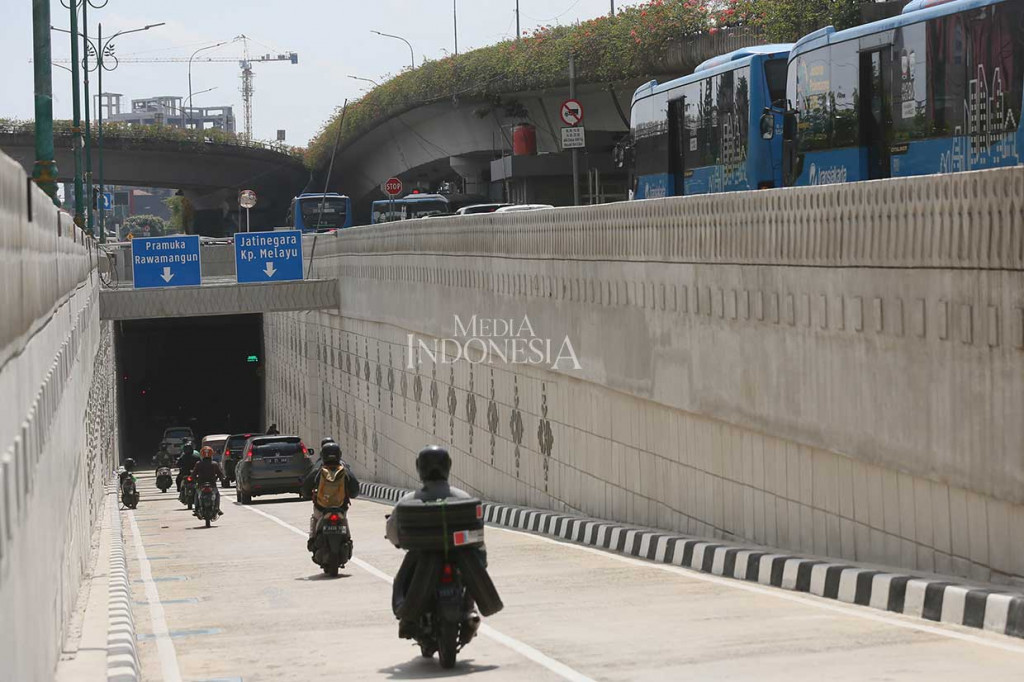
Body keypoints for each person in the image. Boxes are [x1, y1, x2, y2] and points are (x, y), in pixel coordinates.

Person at [386, 445, 483, 641]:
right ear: (448, 466)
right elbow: (477, 533)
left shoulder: (408, 501)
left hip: (422, 555)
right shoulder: (463, 498)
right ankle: (469, 607)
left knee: (401, 579)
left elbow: (393, 532)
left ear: (419, 468)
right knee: (472, 572)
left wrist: (399, 542)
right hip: (459, 556)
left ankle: (406, 618)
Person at [301, 441, 359, 551]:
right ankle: (348, 540)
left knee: (315, 518)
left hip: (321, 508)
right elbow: (355, 490)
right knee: (344, 520)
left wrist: (307, 494)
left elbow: (306, 489)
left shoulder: (318, 470)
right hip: (341, 508)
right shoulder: (344, 470)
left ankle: (312, 539)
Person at [190, 446, 225, 516]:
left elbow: (193, 474)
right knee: (217, 494)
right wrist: (221, 478)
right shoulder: (214, 464)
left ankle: (196, 509)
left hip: (201, 484)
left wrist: (194, 479)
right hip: (212, 484)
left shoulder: (198, 464)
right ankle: (217, 508)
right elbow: (220, 474)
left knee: (197, 494)